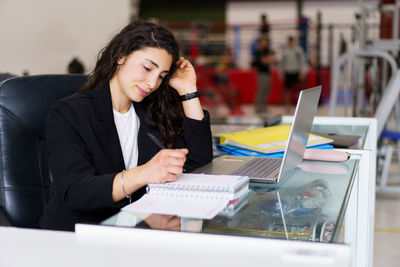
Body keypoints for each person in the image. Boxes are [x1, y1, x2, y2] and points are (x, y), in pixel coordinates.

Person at [39, 21, 213, 231]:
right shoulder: (69, 112)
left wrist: (188, 91)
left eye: (162, 76)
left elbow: (199, 162)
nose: (152, 83)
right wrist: (143, 174)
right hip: (77, 236)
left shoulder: (151, 110)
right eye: (147, 68)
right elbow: (76, 190)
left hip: (135, 231)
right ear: (121, 55)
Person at [280, 36, 306, 109]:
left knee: (299, 89)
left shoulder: (298, 51)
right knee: (287, 90)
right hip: (288, 72)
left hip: (296, 71)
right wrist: (281, 74)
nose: (290, 43)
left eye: (291, 42)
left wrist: (302, 72)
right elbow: (282, 63)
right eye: (289, 42)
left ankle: (300, 104)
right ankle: (287, 105)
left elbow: (302, 62)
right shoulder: (285, 51)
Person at [252, 35, 275, 114]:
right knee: (261, 91)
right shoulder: (259, 52)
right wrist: (268, 59)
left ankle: (264, 108)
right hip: (261, 74)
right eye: (263, 42)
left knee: (266, 91)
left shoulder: (267, 50)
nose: (265, 43)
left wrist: (268, 59)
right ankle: (258, 108)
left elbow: (273, 59)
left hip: (267, 73)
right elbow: (264, 61)